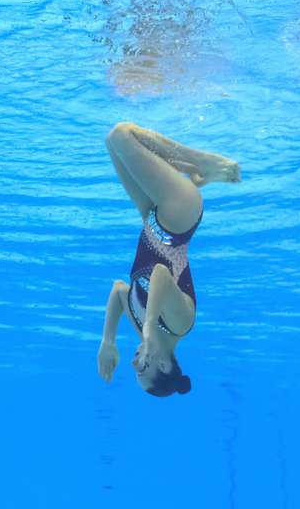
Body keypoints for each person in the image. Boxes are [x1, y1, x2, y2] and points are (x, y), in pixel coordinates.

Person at [97, 122, 240, 396]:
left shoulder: (144, 331)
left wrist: (108, 340)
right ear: (162, 364)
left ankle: (196, 173)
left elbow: (118, 291)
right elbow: (161, 273)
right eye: (141, 368)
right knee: (121, 135)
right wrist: (150, 325)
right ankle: (199, 164)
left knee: (112, 143)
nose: (132, 361)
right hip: (179, 217)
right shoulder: (179, 325)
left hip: (150, 216)